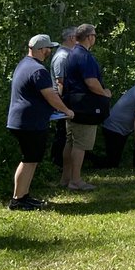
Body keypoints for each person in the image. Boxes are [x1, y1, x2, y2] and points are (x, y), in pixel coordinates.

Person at [7, 34, 75, 210]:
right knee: (29, 159)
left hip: (24, 121)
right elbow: (50, 95)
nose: (49, 52)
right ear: (40, 49)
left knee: (32, 159)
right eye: (48, 48)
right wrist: (66, 110)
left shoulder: (24, 64)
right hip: (29, 123)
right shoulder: (38, 70)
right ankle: (17, 200)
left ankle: (23, 196)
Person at [62, 24, 111, 192]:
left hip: (72, 105)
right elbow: (91, 82)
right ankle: (75, 181)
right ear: (90, 37)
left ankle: (66, 178)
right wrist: (104, 93)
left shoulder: (72, 54)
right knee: (80, 144)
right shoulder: (84, 56)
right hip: (85, 107)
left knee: (71, 141)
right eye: (95, 35)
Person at [49, 27, 78, 168]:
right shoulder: (62, 57)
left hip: (66, 101)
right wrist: (64, 104)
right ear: (72, 38)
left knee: (68, 133)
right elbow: (60, 82)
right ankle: (57, 163)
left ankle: (65, 163)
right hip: (62, 102)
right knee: (62, 133)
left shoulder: (69, 54)